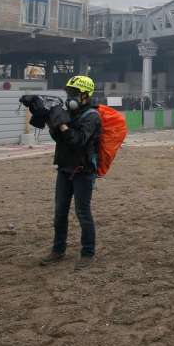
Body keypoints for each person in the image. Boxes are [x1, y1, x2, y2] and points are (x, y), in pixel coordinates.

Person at [40, 75, 102, 270]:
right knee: (60, 212)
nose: (70, 97)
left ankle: (88, 252)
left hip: (83, 171)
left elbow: (77, 140)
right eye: (69, 93)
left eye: (74, 93)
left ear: (85, 95)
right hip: (64, 168)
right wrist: (51, 122)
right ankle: (58, 250)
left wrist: (63, 125)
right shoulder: (70, 113)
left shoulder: (92, 116)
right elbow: (60, 139)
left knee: (82, 212)